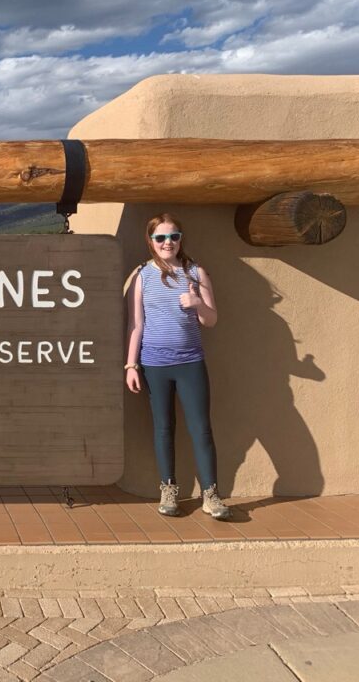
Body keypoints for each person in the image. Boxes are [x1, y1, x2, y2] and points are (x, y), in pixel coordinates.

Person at [124, 213, 232, 520]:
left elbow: (211, 320)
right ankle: (168, 490)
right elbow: (135, 324)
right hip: (154, 364)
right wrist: (131, 365)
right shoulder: (142, 276)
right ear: (151, 241)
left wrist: (197, 303)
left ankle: (211, 494)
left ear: (181, 239)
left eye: (173, 236)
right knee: (163, 428)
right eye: (160, 238)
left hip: (190, 363)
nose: (167, 243)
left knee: (201, 429)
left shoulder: (195, 272)